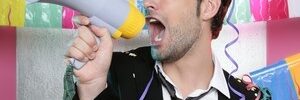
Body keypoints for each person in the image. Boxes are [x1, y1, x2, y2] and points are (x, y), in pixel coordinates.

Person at [65, 0, 270, 99]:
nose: (147, 3)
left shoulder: (247, 97)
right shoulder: (114, 74)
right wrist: (92, 88)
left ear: (208, 6)